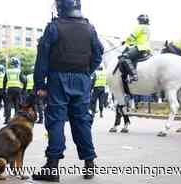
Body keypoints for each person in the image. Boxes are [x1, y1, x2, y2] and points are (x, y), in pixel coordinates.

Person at [32, 0, 104, 181]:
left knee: (56, 121)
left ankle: (52, 168)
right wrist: (87, 72)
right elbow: (98, 53)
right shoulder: (90, 28)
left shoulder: (54, 27)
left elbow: (42, 57)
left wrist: (40, 84)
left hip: (58, 79)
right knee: (82, 121)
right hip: (82, 80)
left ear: (61, 7)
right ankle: (89, 164)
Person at [120, 14, 151, 83]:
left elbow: (132, 37)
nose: (138, 22)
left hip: (140, 48)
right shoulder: (147, 29)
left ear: (140, 21)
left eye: (139, 20)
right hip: (148, 49)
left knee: (124, 57)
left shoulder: (139, 27)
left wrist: (125, 41)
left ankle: (134, 75)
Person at [3, 57, 27, 124]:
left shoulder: (7, 71)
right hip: (18, 89)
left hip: (10, 89)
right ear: (17, 64)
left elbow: (4, 81)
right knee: (17, 104)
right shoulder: (19, 71)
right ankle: (17, 119)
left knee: (8, 104)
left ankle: (7, 119)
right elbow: (24, 80)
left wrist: (4, 89)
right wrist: (24, 89)